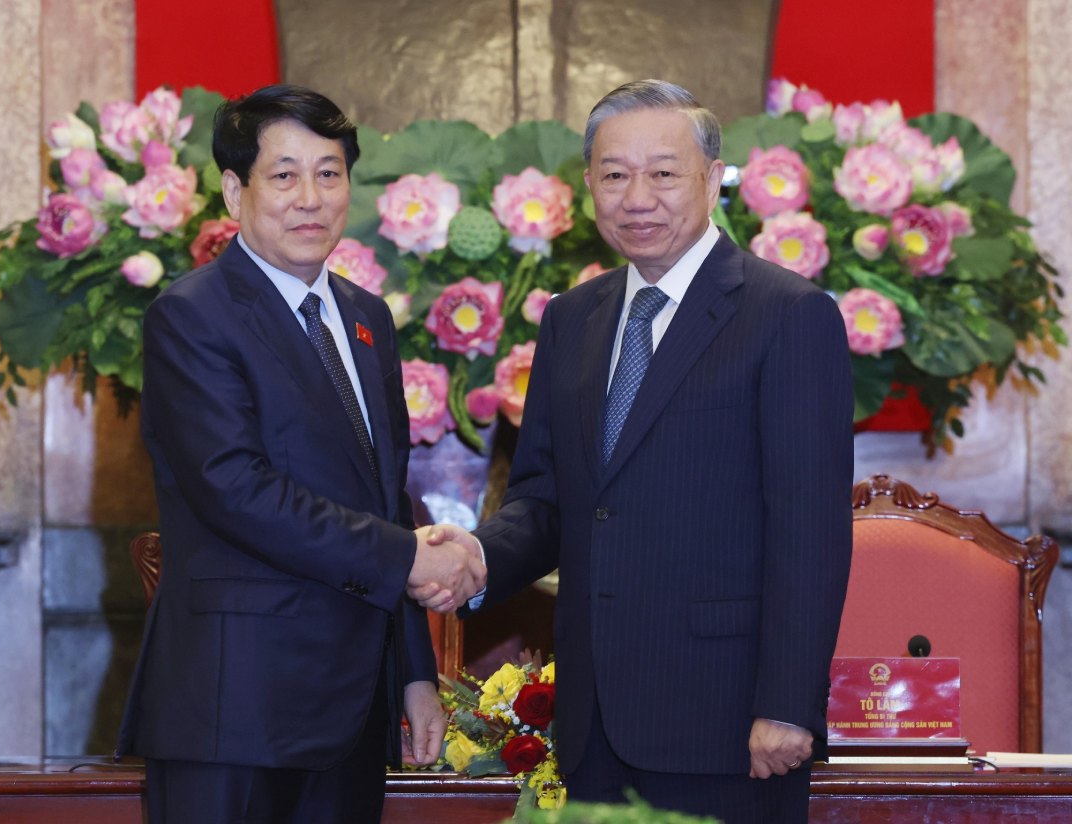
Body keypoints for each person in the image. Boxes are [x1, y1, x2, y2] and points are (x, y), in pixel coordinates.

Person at [419, 80, 853, 821]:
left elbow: (809, 531)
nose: (637, 196)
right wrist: (480, 556)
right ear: (588, 186)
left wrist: (787, 705)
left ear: (713, 179)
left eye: (664, 173)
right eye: (615, 175)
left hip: (729, 722)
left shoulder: (788, 315)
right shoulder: (572, 320)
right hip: (594, 723)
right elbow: (548, 497)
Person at [115, 84, 485, 824]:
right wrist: (410, 559)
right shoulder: (191, 316)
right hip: (234, 707)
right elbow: (237, 490)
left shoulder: (366, 317)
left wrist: (414, 672)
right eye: (283, 175)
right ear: (234, 190)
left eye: (329, 172)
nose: (309, 196)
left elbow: (386, 500)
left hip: (350, 711)